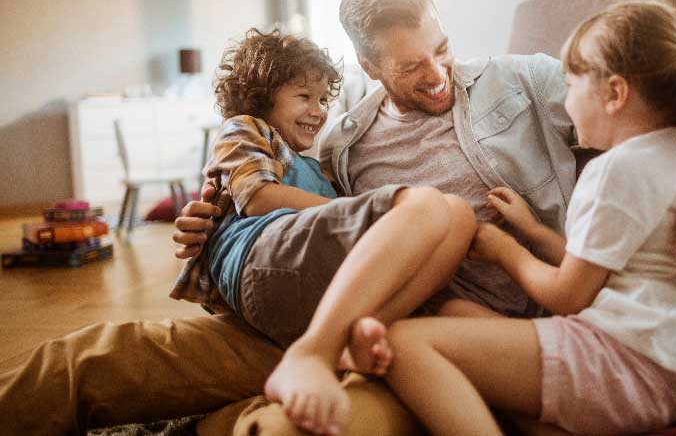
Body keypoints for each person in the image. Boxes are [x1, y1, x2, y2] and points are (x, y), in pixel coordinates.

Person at [0, 0, 676, 435]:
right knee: (105, 357)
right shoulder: (341, 141)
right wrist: (219, 217)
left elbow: (658, 92)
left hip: (495, 344)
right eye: (409, 65)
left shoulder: (525, 79)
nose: (435, 74)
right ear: (365, 65)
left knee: (313, 425)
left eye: (442, 48)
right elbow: (300, 222)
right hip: (381, 312)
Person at [381, 1, 676, 435]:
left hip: (622, 367)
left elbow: (568, 296)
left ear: (614, 94)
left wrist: (506, 253)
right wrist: (534, 232)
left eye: (571, 83)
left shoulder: (616, 169)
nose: (567, 98)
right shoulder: (672, 156)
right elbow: (596, 267)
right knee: (457, 313)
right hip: (668, 377)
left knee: (404, 343)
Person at [171, 27, 477, 435]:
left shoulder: (318, 167)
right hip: (259, 258)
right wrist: (365, 213)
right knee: (424, 206)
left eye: (321, 100)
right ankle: (315, 354)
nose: (318, 111)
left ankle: (343, 348)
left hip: (299, 282)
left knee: (456, 217)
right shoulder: (245, 129)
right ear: (260, 97)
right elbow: (259, 197)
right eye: (303, 97)